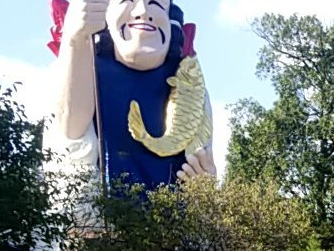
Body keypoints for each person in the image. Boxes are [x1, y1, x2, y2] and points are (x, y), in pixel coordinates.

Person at [46, 0, 215, 189]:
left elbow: (200, 158)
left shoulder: (189, 83)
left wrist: (204, 189)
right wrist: (75, 42)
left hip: (170, 211)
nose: (143, 11)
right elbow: (72, 134)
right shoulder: (81, 68)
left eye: (156, 3)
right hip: (101, 210)